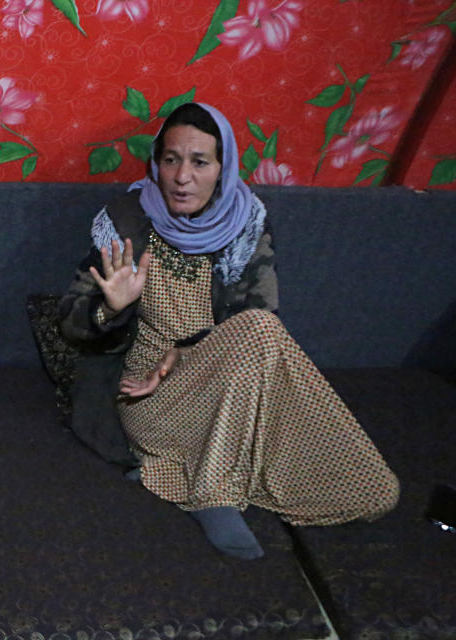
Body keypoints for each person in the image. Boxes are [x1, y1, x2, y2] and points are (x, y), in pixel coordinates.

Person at [59, 103, 399, 559]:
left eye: (200, 162)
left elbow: (259, 322)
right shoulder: (126, 219)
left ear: (222, 168)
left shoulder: (246, 223)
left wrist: (187, 349)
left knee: (369, 489)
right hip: (146, 394)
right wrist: (111, 308)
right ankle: (212, 493)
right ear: (155, 163)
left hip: (223, 390)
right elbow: (72, 322)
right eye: (171, 159)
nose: (182, 177)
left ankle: (204, 465)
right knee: (257, 333)